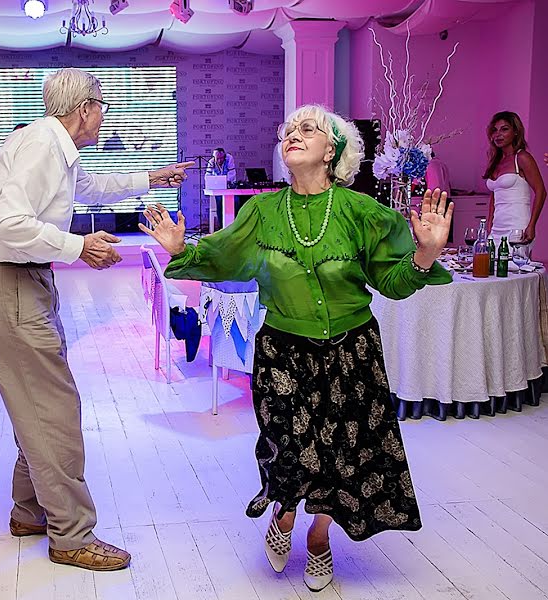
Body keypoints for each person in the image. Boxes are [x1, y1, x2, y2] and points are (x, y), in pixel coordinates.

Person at [141, 104, 453, 592]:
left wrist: (426, 252)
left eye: (307, 129)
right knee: (290, 449)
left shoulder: (362, 212)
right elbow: (222, 257)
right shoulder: (262, 212)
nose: (292, 134)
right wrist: (182, 250)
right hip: (283, 350)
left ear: (333, 151)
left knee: (338, 455)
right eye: (288, 129)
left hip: (352, 353)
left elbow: (392, 282)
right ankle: (284, 515)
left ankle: (320, 538)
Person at [0, 67, 191, 571]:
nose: (105, 113)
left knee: (37, 399)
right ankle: (71, 535)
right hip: (8, 280)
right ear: (85, 108)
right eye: (103, 104)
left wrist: (151, 176)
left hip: (19, 278)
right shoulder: (44, 145)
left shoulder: (54, 147)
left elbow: (91, 186)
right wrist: (78, 247)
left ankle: (29, 512)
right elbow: (9, 222)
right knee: (53, 407)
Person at [483, 111, 546, 246]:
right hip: (496, 228)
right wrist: (489, 224)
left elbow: (541, 191)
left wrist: (531, 225)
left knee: (516, 266)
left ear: (516, 132)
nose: (498, 134)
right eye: (494, 130)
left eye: (504, 129)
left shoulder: (522, 157)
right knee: (488, 265)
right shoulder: (495, 161)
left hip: (517, 227)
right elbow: (495, 195)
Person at [206, 147, 237, 230]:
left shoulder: (229, 158)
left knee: (236, 201)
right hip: (218, 189)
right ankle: (222, 226)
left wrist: (225, 180)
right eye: (217, 158)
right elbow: (207, 176)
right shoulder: (211, 162)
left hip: (229, 187)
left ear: (225, 156)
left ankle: (235, 225)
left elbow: (232, 174)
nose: (219, 160)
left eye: (221, 158)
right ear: (214, 157)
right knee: (219, 202)